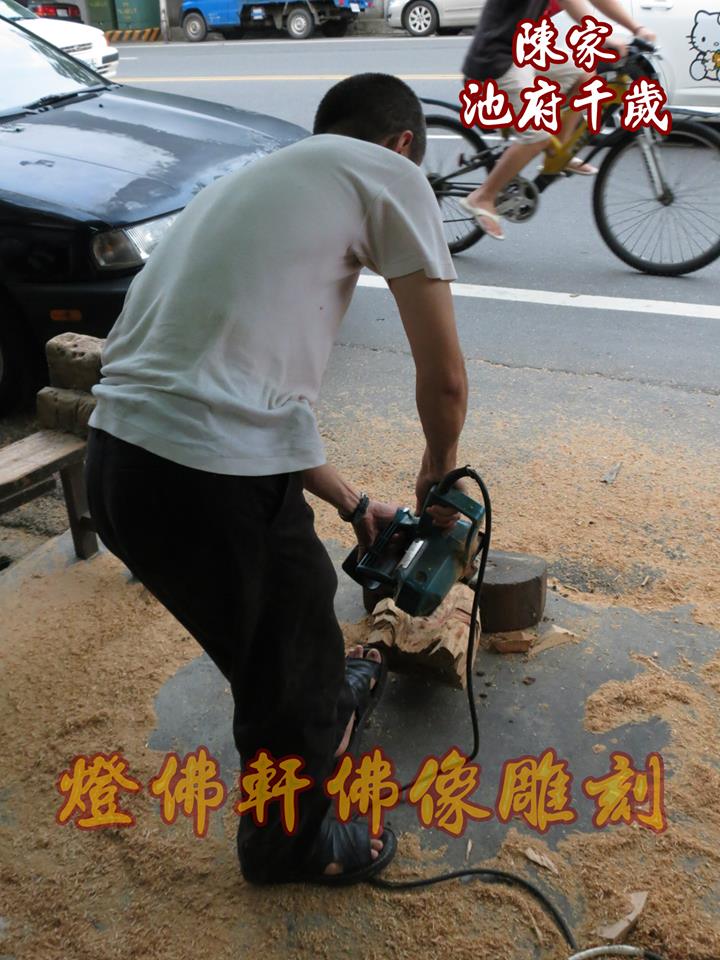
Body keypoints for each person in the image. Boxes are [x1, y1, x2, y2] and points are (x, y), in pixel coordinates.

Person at [84, 73, 468, 886]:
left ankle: (325, 694)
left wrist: (353, 501)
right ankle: (288, 847)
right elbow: (445, 382)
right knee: (285, 676)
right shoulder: (389, 172)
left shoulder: (253, 181)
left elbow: (227, 392)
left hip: (117, 466)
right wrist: (439, 472)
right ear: (402, 143)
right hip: (200, 480)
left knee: (285, 630)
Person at [461, 0, 656, 240]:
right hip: (496, 60)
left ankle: (557, 154)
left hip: (523, 53)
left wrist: (636, 28)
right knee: (537, 136)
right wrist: (605, 35)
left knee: (584, 75)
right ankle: (483, 197)